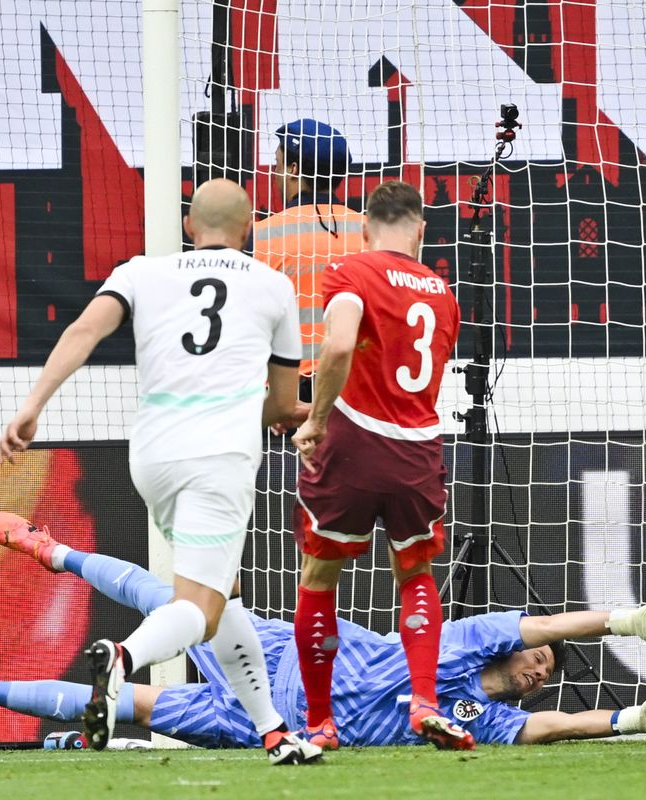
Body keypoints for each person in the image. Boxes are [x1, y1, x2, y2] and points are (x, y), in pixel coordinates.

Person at [0, 180, 318, 764]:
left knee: (226, 597)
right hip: (218, 456)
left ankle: (273, 731)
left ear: (189, 227)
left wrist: (32, 405)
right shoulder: (273, 285)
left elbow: (84, 331)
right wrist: (318, 415)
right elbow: (281, 403)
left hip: (152, 456)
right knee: (202, 608)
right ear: (248, 230)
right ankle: (121, 659)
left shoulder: (141, 271)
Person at [0, 513, 646, 748]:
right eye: (539, 658)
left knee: (129, 706)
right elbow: (551, 620)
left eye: (546, 670)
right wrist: (623, 618)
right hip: (289, 653)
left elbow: (545, 732)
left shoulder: (474, 718)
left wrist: (624, 718)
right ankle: (58, 551)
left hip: (270, 721)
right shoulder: (462, 639)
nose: (540, 666)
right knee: (176, 596)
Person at [287, 179, 467, 751]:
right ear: (420, 230)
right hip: (417, 448)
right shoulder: (442, 293)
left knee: (320, 576)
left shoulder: (351, 270)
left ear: (366, 227)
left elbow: (339, 346)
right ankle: (424, 701)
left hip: (354, 442)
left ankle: (320, 721)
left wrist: (314, 419)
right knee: (414, 573)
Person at [252, 119, 366, 377]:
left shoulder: (260, 236)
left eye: (278, 164)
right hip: (356, 397)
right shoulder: (371, 233)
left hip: (288, 399)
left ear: (292, 169)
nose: (274, 172)